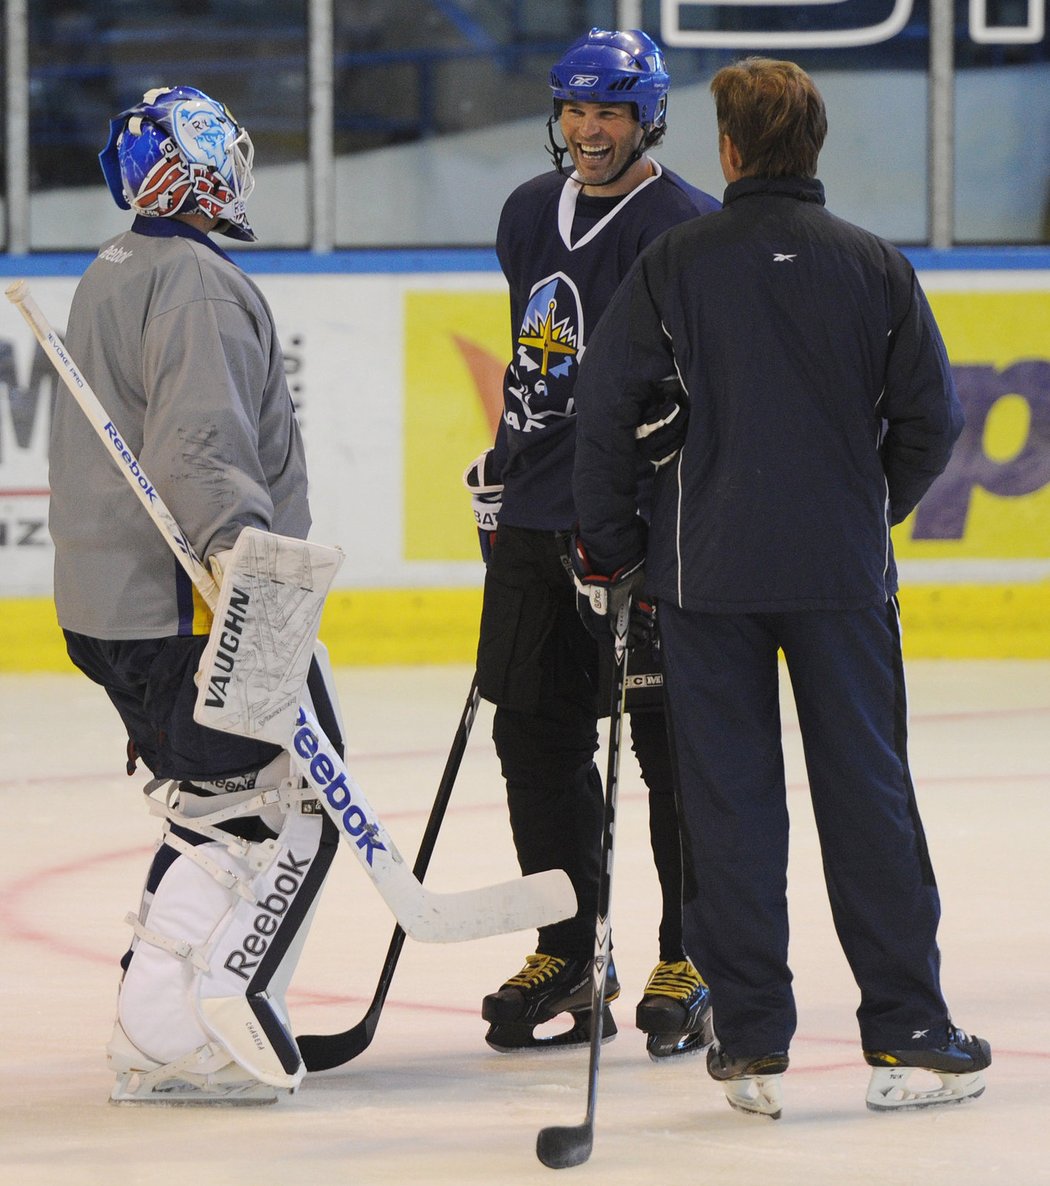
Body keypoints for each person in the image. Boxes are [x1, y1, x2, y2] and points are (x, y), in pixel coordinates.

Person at [570, 57, 991, 1117]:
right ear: (813, 145)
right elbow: (930, 425)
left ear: (729, 149)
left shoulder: (674, 262)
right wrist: (861, 508)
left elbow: (606, 413)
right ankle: (908, 1031)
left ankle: (752, 1040)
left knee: (729, 802)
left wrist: (612, 544)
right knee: (870, 796)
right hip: (841, 578)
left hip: (705, 577)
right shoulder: (876, 266)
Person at [48, 85, 340, 1104]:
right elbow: (201, 448)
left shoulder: (117, 265)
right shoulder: (196, 282)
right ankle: (175, 1031)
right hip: (197, 605)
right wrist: (242, 580)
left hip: (113, 602)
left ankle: (189, 1012)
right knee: (265, 810)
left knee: (224, 803)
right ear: (195, 165)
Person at [464, 28, 721, 1058]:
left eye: (610, 110)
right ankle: (572, 951)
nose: (588, 128)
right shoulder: (528, 212)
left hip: (645, 532)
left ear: (648, 116)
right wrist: (504, 460)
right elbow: (537, 355)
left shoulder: (688, 227)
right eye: (574, 108)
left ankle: (692, 951)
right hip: (535, 521)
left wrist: (679, 437)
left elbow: (716, 389)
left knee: (674, 748)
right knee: (534, 737)